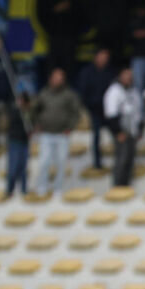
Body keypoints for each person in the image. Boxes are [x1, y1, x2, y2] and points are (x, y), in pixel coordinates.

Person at [31, 67, 81, 196]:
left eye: (60, 78)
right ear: (50, 79)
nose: (57, 80)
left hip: (62, 134)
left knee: (61, 162)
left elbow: (76, 113)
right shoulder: (44, 93)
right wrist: (37, 124)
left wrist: (70, 127)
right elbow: (35, 110)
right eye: (55, 78)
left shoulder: (69, 95)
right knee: (44, 161)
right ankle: (42, 188)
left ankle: (58, 189)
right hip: (46, 133)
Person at [77, 49, 116, 171]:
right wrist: (89, 106)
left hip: (109, 110)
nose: (104, 59)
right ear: (96, 57)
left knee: (117, 134)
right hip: (94, 109)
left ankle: (119, 160)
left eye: (106, 57)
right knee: (96, 137)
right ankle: (97, 163)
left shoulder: (110, 72)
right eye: (101, 56)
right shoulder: (87, 72)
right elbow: (83, 91)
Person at [105, 66, 142, 188]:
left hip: (132, 130)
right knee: (121, 159)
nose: (129, 77)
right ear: (120, 76)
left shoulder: (134, 91)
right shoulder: (114, 91)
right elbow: (110, 113)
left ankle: (126, 186)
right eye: (126, 75)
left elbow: (138, 112)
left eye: (130, 75)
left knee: (130, 160)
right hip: (121, 131)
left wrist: (139, 129)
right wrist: (117, 132)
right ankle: (117, 186)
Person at [5, 92, 31, 197]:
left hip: (25, 142)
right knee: (13, 167)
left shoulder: (28, 113)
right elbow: (13, 119)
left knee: (23, 167)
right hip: (14, 141)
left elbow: (31, 124)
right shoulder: (14, 111)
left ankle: (24, 190)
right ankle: (9, 190)